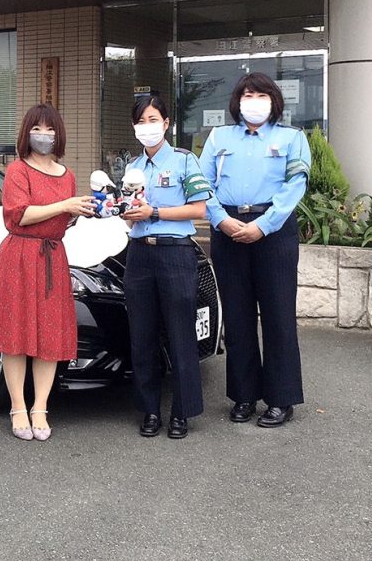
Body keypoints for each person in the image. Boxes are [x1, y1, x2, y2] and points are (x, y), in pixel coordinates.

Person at [198, 73, 310, 428]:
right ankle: (243, 396)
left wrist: (264, 225)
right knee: (237, 316)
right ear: (237, 101)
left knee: (278, 315)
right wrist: (221, 220)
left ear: (274, 101)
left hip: (274, 231)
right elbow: (201, 184)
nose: (254, 101)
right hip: (228, 228)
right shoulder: (219, 137)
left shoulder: (292, 138)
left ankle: (280, 398)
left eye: (262, 95)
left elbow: (295, 186)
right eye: (248, 95)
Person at [0, 104, 95, 441]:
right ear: (26, 133)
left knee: (49, 333)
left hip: (52, 256)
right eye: (37, 129)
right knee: (16, 333)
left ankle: (41, 407)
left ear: (59, 134)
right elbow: (18, 215)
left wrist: (79, 212)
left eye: (50, 129)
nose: (44, 135)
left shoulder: (68, 174)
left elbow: (61, 220)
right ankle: (18, 406)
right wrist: (65, 205)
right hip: (19, 255)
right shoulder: (17, 170)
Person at [121, 92, 213, 439]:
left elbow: (199, 209)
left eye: (153, 120)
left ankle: (181, 412)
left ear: (166, 123)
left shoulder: (185, 161)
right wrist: (126, 213)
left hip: (175, 254)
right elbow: (129, 215)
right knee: (141, 335)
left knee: (180, 334)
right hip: (139, 254)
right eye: (141, 121)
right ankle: (149, 410)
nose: (147, 127)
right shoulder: (132, 167)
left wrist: (154, 212)